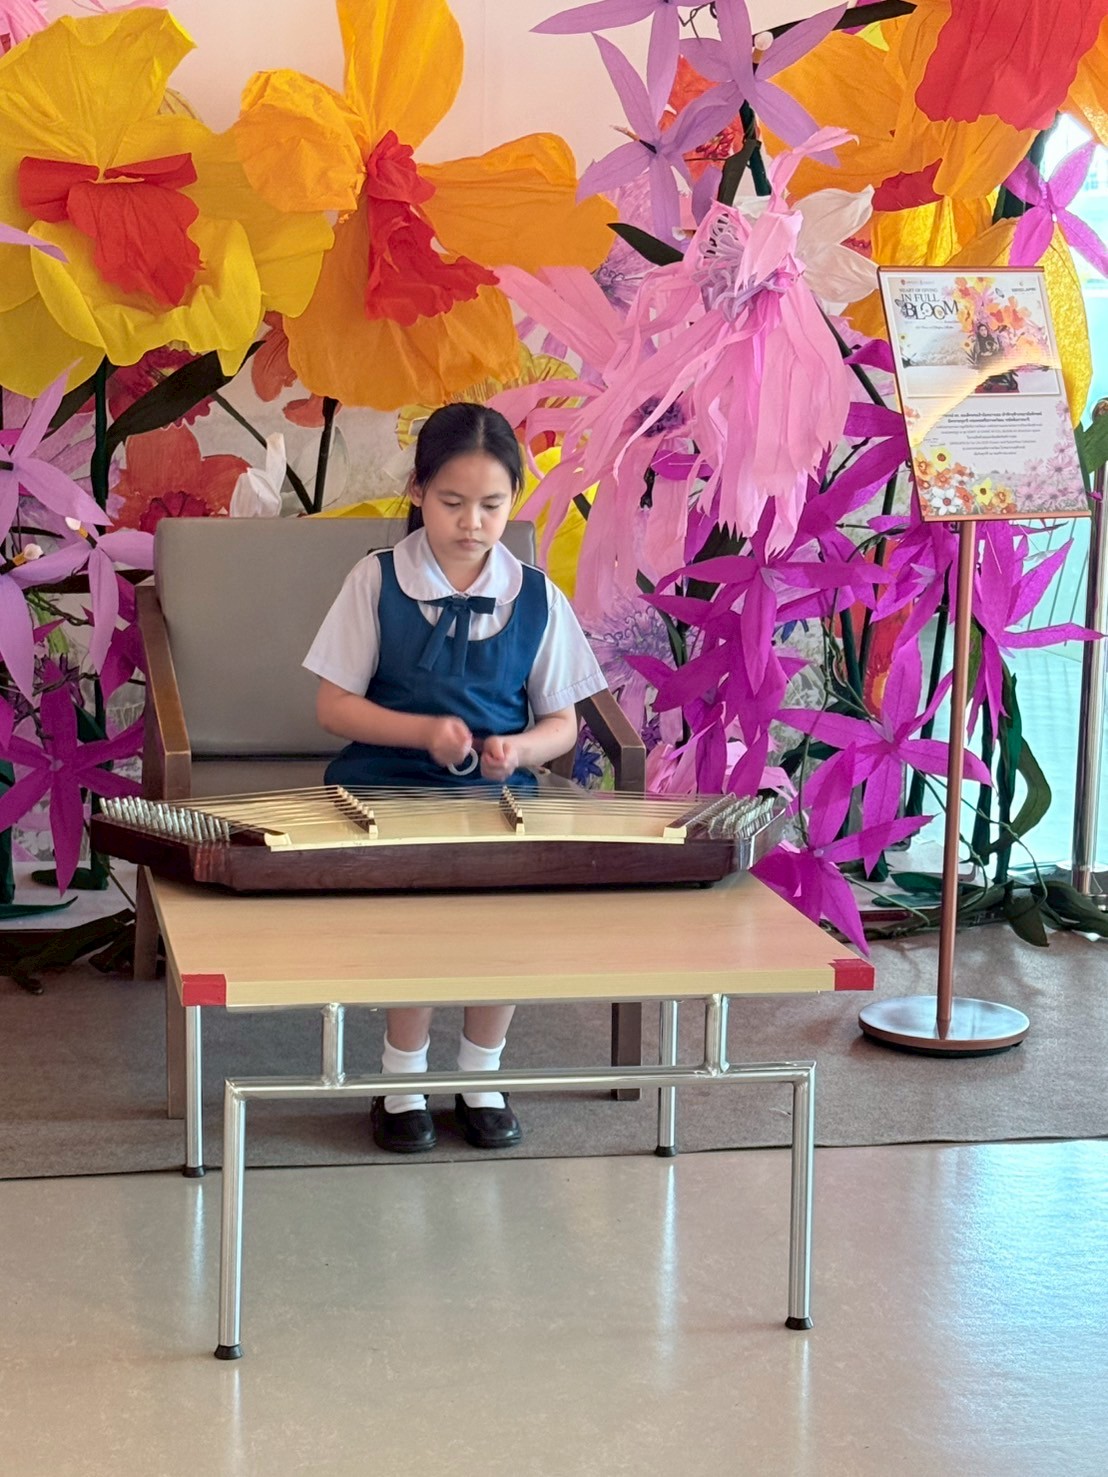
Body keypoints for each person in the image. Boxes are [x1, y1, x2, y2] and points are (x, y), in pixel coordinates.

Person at [303, 403, 607, 1155]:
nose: (472, 523)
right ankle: (402, 1079)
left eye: (492, 505)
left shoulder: (536, 596)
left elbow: (563, 723)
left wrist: (521, 750)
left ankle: (481, 1074)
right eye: (451, 502)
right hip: (387, 788)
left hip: (494, 794)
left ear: (513, 501)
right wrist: (423, 734)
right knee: (420, 914)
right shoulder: (376, 579)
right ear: (417, 491)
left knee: (506, 913)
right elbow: (332, 706)